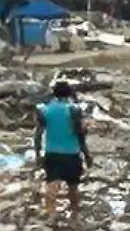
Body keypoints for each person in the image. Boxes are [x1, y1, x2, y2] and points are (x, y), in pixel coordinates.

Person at [35, 81, 89, 222]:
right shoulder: (74, 110)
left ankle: (51, 214)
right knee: (73, 187)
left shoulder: (44, 110)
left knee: (52, 184)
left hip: (51, 152)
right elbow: (80, 134)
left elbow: (38, 134)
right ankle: (75, 215)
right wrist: (86, 154)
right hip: (71, 153)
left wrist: (37, 153)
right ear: (69, 94)